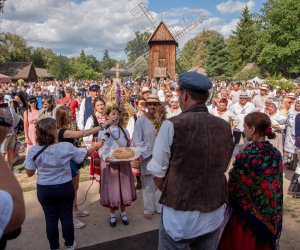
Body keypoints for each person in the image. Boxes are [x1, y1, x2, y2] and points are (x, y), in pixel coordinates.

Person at [147, 72, 234, 249]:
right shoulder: (224, 126)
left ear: (184, 94)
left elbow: (157, 173)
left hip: (180, 218)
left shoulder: (171, 124)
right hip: (213, 212)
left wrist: (173, 192)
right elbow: (224, 165)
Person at [24, 117, 103, 250]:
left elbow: (29, 172)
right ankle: (70, 244)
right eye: (56, 128)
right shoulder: (65, 147)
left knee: (50, 219)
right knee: (66, 217)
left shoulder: (33, 150)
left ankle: (54, 247)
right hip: (64, 187)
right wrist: (95, 146)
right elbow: (82, 156)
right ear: (53, 131)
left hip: (45, 189)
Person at [219, 112, 283, 250]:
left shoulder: (246, 155)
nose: (243, 130)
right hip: (268, 218)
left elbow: (235, 187)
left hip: (245, 221)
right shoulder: (275, 154)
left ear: (253, 129)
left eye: (245, 127)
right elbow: (276, 189)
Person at [56, 105, 105, 229]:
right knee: (70, 190)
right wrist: (102, 126)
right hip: (68, 163)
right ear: (61, 117)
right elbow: (83, 133)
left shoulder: (67, 128)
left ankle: (75, 209)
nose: (71, 117)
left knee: (76, 187)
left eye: (71, 114)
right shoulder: (63, 131)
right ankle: (71, 217)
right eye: (68, 116)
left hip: (74, 161)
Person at [98, 104, 136, 227]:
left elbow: (129, 146)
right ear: (107, 116)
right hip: (110, 165)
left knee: (124, 188)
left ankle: (123, 213)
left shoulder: (124, 130)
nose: (116, 116)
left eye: (117, 114)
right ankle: (112, 215)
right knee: (112, 189)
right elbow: (100, 148)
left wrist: (130, 153)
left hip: (123, 164)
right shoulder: (103, 131)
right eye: (113, 114)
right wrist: (105, 157)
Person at [133, 94, 163, 219]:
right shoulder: (141, 120)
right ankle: (149, 209)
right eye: (149, 104)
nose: (152, 106)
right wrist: (148, 151)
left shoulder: (160, 119)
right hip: (147, 157)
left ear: (158, 106)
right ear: (146, 106)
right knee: (148, 184)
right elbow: (136, 140)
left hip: (160, 157)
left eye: (155, 104)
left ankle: (159, 207)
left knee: (159, 183)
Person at [0, 109, 25, 248]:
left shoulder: (9, 110)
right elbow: (16, 213)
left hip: (11, 136)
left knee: (9, 153)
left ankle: (11, 166)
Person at [83, 97, 107, 183]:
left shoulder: (108, 117)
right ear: (95, 107)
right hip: (97, 148)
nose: (101, 107)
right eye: (98, 105)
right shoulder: (91, 119)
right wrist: (91, 148)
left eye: (102, 104)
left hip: (108, 148)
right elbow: (86, 135)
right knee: (100, 175)